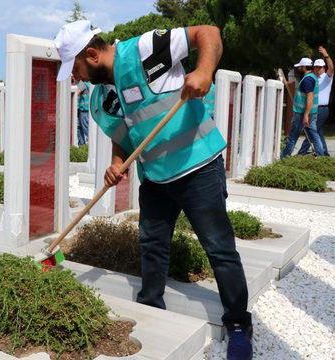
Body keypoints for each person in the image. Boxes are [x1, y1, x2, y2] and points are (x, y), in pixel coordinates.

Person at [55, 20, 253, 360]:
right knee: (152, 245)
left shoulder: (146, 51)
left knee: (219, 248)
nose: (76, 79)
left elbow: (209, 33)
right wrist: (118, 162)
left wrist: (204, 71)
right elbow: (125, 137)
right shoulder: (101, 98)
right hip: (156, 179)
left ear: (91, 53)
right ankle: (151, 308)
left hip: (198, 167)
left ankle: (238, 324)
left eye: (76, 69)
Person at [280, 58, 325, 158]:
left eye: (300, 66)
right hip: (312, 112)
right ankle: (322, 157)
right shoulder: (313, 77)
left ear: (304, 67)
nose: (299, 68)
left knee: (292, 137)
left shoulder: (307, 80)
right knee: (314, 135)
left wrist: (305, 115)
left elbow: (310, 98)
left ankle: (284, 158)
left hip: (302, 113)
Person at [297, 47, 334, 156]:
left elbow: (331, 68)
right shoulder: (312, 78)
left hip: (322, 109)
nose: (317, 69)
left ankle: (301, 153)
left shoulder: (327, 77)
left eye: (319, 67)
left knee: (311, 131)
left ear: (323, 67)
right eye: (315, 67)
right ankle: (325, 155)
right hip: (314, 108)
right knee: (318, 132)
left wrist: (326, 55)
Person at [76, 80, 91, 145]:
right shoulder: (90, 83)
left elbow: (76, 93)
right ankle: (82, 146)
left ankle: (86, 146)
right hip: (85, 110)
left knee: (85, 129)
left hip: (84, 110)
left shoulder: (83, 83)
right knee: (80, 128)